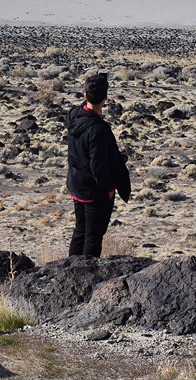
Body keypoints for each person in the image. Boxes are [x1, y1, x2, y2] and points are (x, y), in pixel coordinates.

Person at [66, 72, 131, 257]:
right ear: (106, 98)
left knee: (80, 230)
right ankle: (86, 273)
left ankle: (71, 269)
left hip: (77, 184)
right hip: (94, 191)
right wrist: (110, 188)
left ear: (85, 96)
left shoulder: (74, 115)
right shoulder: (98, 129)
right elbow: (98, 167)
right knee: (93, 236)